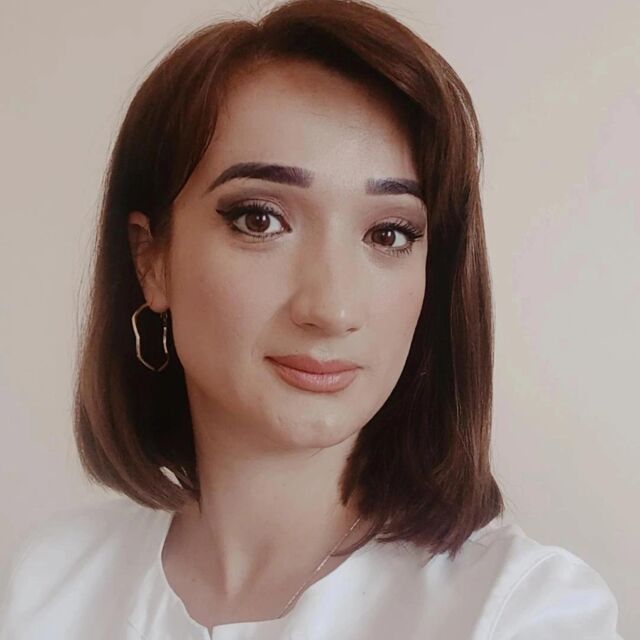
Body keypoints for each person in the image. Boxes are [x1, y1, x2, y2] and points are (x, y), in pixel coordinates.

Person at [0, 0, 623, 638]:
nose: (331, 309)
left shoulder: (521, 611)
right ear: (150, 259)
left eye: (389, 233)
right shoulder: (49, 588)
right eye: (260, 220)